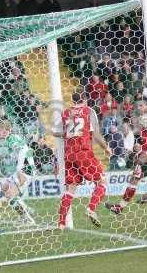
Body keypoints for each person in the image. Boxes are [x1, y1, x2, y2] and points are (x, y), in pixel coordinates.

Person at [53, 92, 111, 230]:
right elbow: (95, 134)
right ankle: (91, 209)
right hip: (83, 152)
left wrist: (67, 133)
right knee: (102, 181)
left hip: (69, 154)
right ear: (84, 100)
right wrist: (107, 148)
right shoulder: (88, 111)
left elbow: (54, 131)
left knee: (70, 189)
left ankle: (61, 224)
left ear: (72, 100)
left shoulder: (66, 113)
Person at [0, 120, 37, 224]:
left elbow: (22, 152)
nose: (2, 132)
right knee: (4, 187)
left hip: (26, 170)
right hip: (22, 168)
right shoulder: (11, 138)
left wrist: (19, 171)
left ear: (9, 130)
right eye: (1, 130)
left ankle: (27, 220)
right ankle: (27, 209)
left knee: (10, 196)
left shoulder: (11, 140)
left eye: (5, 130)